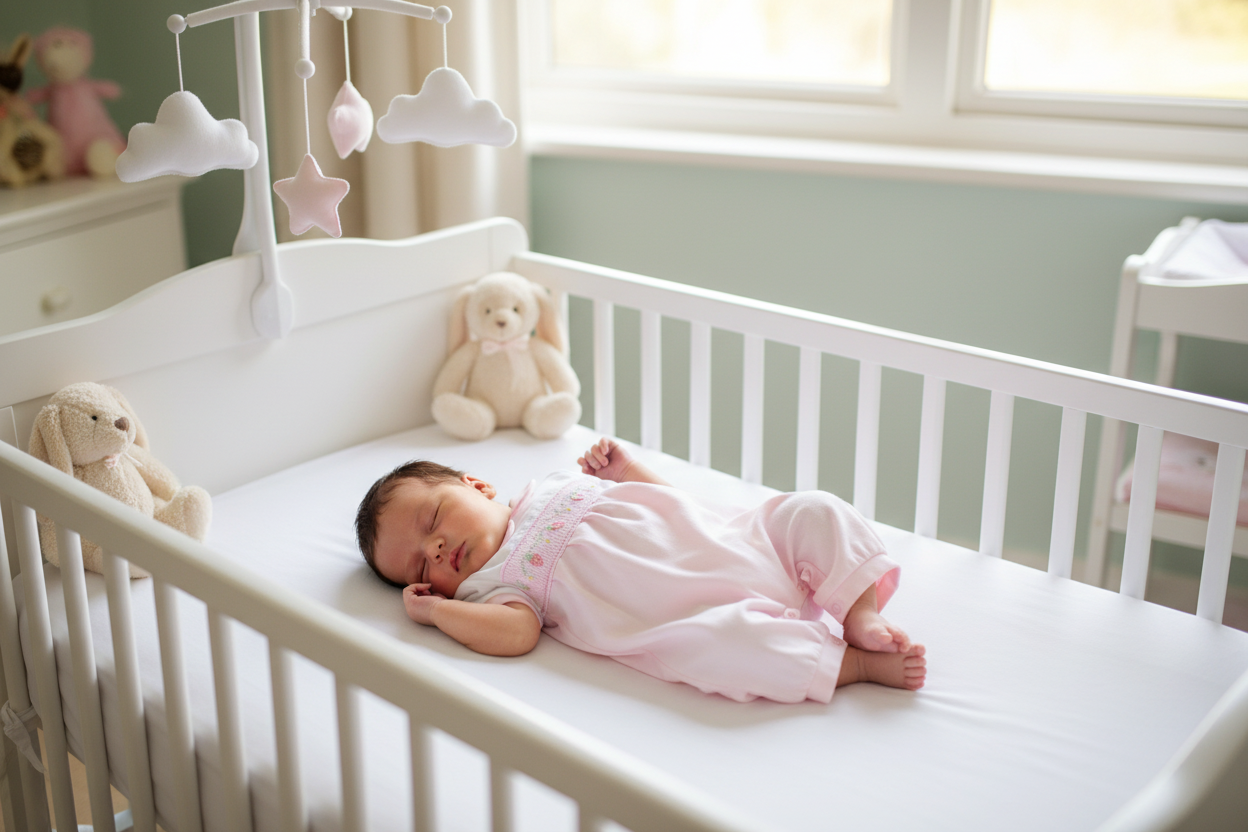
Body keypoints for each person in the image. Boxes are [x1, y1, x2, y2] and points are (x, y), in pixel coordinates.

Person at [355, 438, 926, 704]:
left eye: (433, 519)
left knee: (813, 509)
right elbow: (517, 634)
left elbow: (674, 509)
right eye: (416, 566)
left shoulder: (555, 483)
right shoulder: (494, 587)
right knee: (729, 649)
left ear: (477, 487)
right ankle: (855, 665)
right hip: (703, 614)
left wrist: (630, 471)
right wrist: (436, 611)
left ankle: (859, 612)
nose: (434, 548)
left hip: (740, 544)